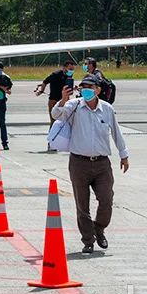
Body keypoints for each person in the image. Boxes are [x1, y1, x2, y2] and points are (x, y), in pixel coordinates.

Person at [52, 74, 129, 254]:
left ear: (98, 90)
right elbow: (56, 114)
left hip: (102, 163)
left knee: (106, 199)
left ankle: (99, 228)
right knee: (82, 204)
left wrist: (124, 155)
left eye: (91, 86)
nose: (87, 90)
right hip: (79, 162)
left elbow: (116, 133)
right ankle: (88, 240)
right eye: (83, 86)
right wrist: (63, 99)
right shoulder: (74, 106)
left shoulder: (107, 109)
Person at [36, 59, 78, 150]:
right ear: (64, 68)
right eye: (69, 69)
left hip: (65, 100)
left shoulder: (69, 76)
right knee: (54, 122)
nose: (71, 71)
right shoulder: (55, 75)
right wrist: (41, 91)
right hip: (54, 100)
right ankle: (51, 143)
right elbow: (45, 82)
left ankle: (66, 142)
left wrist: (73, 89)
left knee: (67, 122)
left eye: (72, 69)